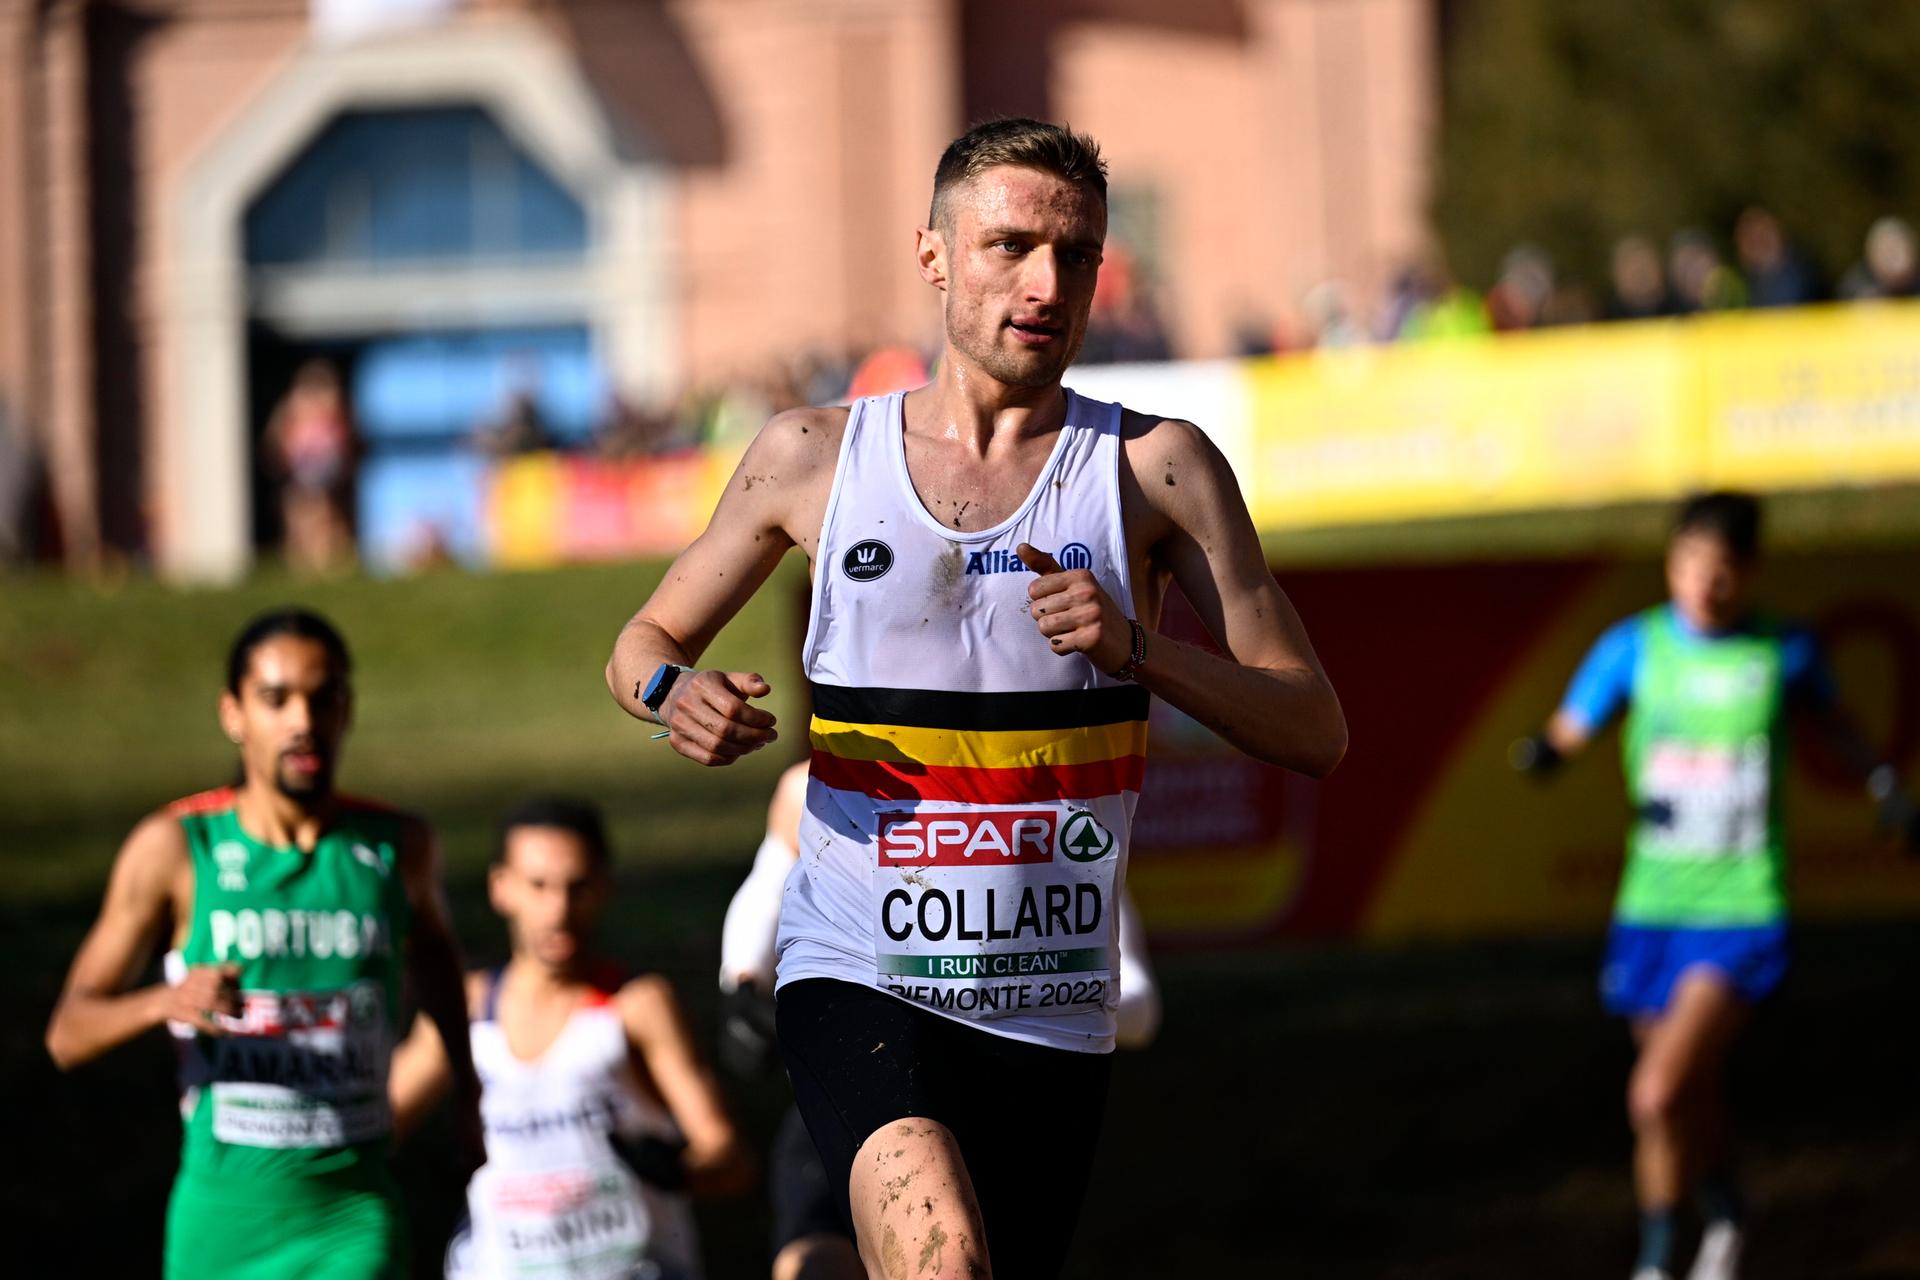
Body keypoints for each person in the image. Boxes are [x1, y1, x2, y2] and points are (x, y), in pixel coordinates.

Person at [605, 116, 1346, 1278]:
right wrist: (672, 692)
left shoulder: (1157, 470)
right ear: (934, 254)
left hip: (1050, 1001)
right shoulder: (811, 455)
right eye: (1010, 246)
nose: (1047, 284)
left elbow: (1312, 724)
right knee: (943, 1258)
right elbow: (642, 641)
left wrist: (1140, 649)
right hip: (858, 968)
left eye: (1079, 255)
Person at [1511, 492, 1920, 1280]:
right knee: (1689, 1097)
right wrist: (1545, 753)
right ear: (1672, 565)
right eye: (1689, 564)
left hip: (1742, 907)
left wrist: (1884, 790)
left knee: (1655, 1095)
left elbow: (1842, 731)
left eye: (1722, 569)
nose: (1704, 583)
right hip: (1650, 910)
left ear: (1750, 572)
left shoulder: (1784, 652)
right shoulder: (1635, 648)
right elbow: (1574, 723)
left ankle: (1660, 1259)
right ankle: (1727, 1205)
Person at [44, 607, 481, 1279]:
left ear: (347, 708)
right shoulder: (176, 849)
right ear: (233, 713)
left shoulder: (398, 847)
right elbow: (68, 1033)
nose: (303, 720)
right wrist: (163, 1000)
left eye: (323, 696)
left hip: (352, 1216)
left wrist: (470, 1095)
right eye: (276, 699)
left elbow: (440, 969)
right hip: (223, 1222)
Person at [717, 763, 1165, 1280]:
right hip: (867, 1071)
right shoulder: (816, 783)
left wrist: (1009, 991)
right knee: (816, 1264)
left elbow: (1141, 1005)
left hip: (1011, 1094)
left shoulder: (1068, 808)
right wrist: (741, 983)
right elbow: (766, 891)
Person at [390, 794, 752, 1280]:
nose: (558, 910)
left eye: (577, 887)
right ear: (501, 888)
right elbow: (373, 1126)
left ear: (603, 887)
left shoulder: (636, 1005)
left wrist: (680, 1170)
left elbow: (728, 1156)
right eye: (538, 886)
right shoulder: (469, 1006)